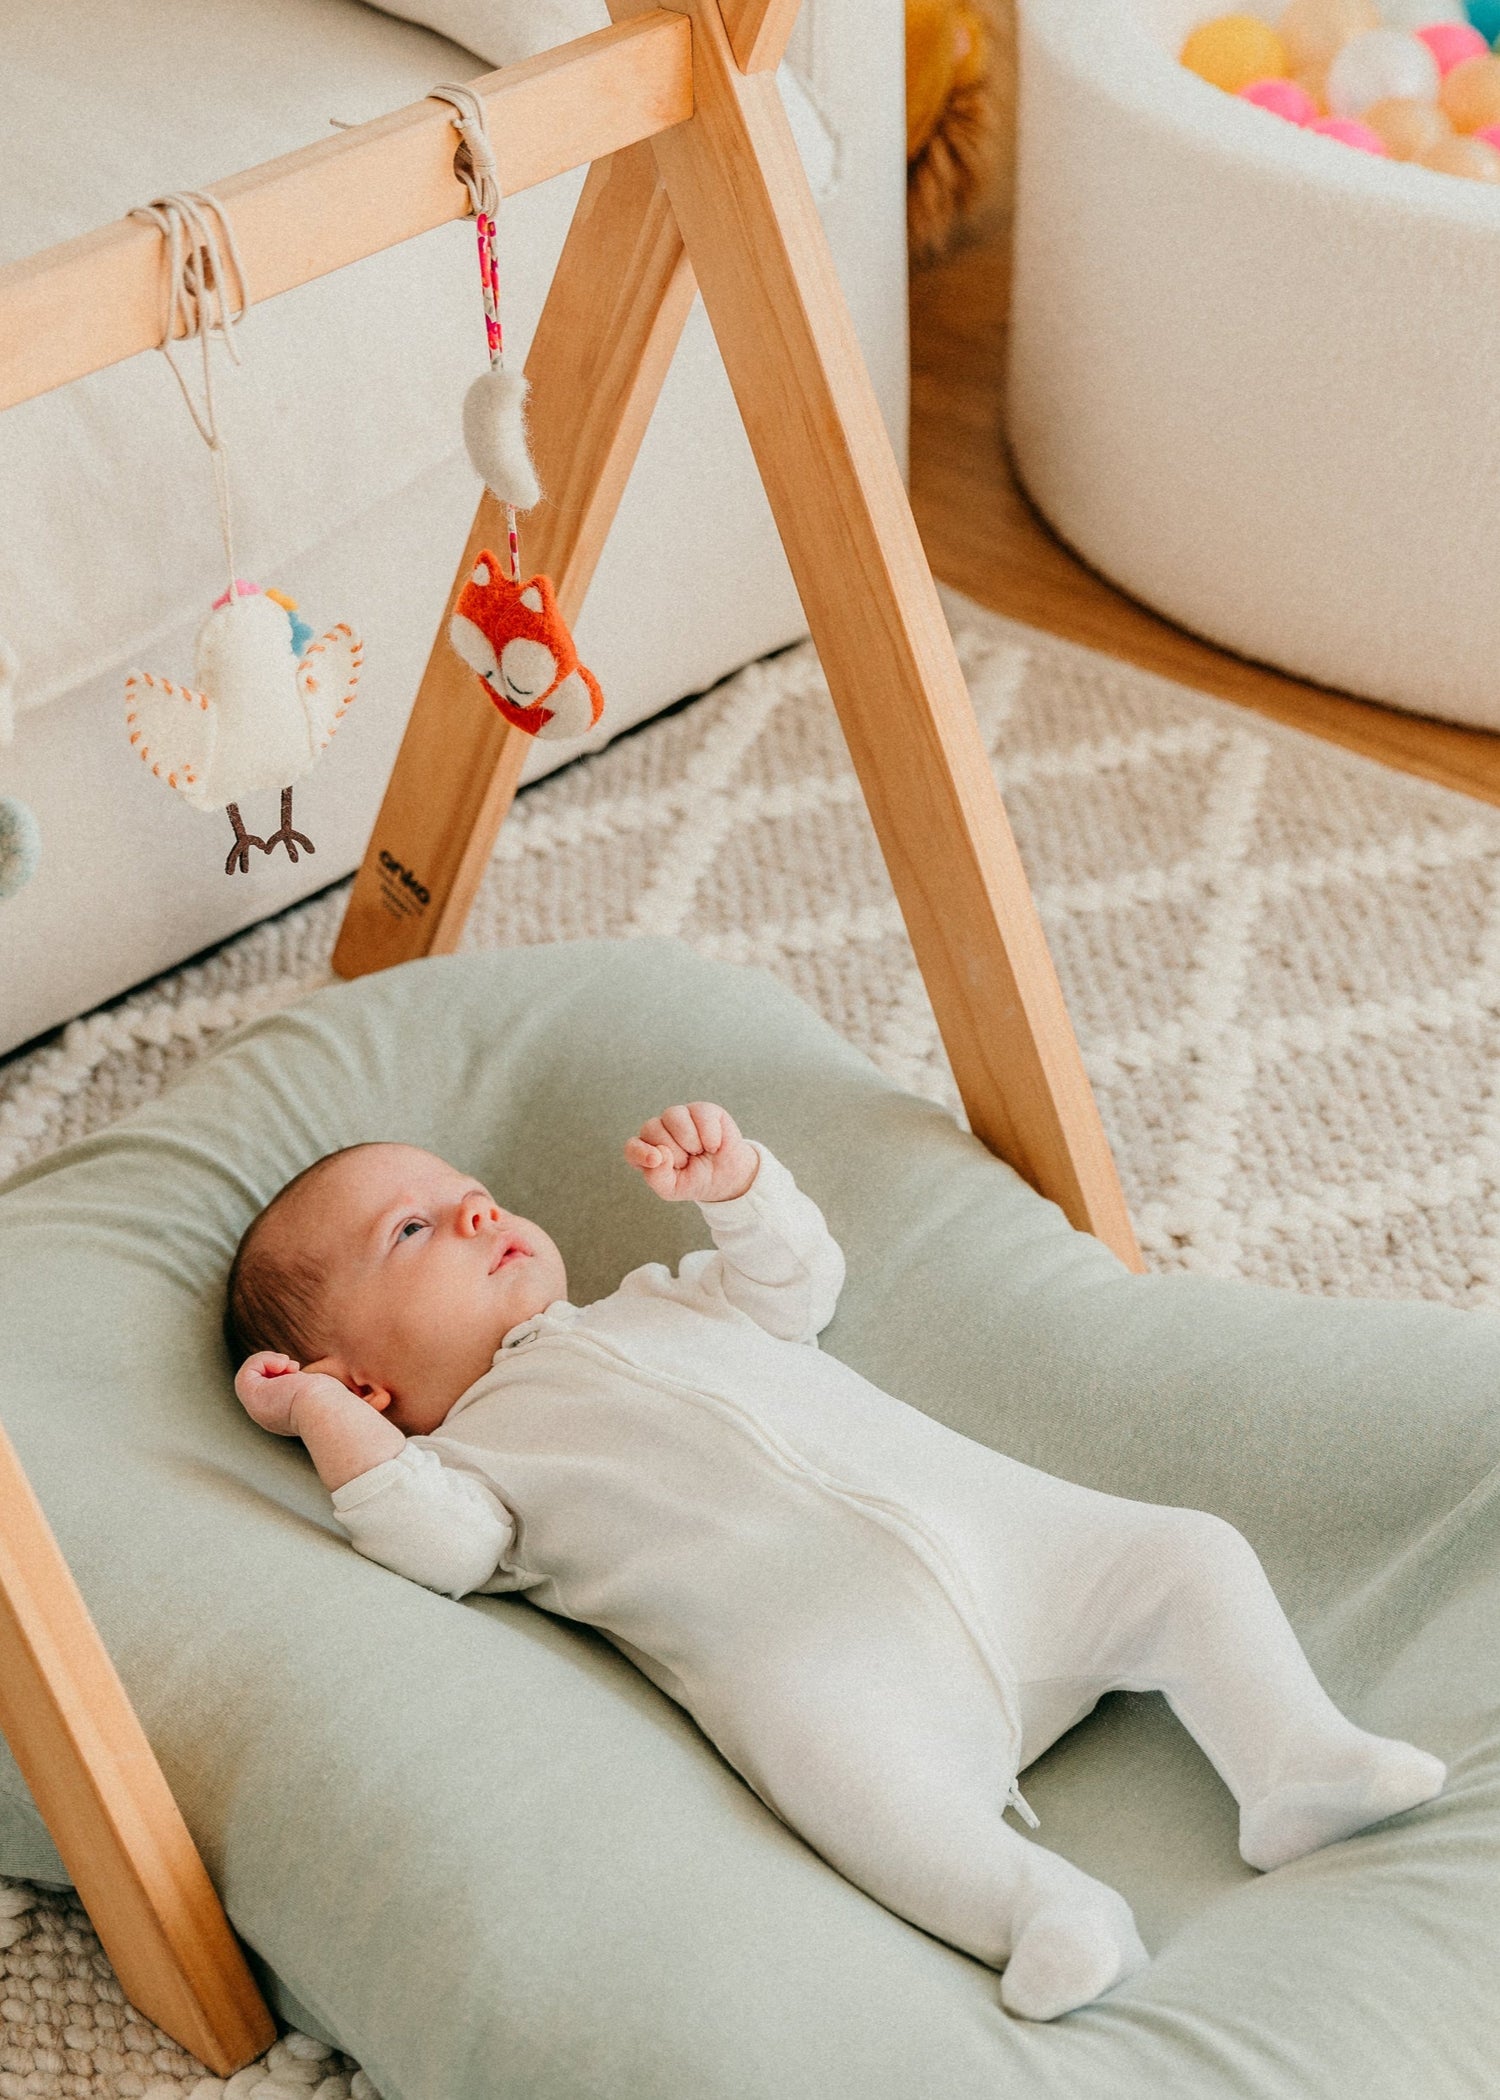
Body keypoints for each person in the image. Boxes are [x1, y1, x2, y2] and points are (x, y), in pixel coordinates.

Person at [226, 1102, 1446, 2022]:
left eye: (471, 1193)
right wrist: (327, 1426)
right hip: (838, 1665)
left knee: (1188, 1552)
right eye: (414, 1229)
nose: (479, 1214)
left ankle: (1290, 1758)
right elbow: (431, 1547)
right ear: (363, 1378)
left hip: (1007, 1545)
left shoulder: (662, 1299)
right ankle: (1042, 1908)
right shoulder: (478, 1462)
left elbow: (797, 1284)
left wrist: (737, 1186)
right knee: (849, 1787)